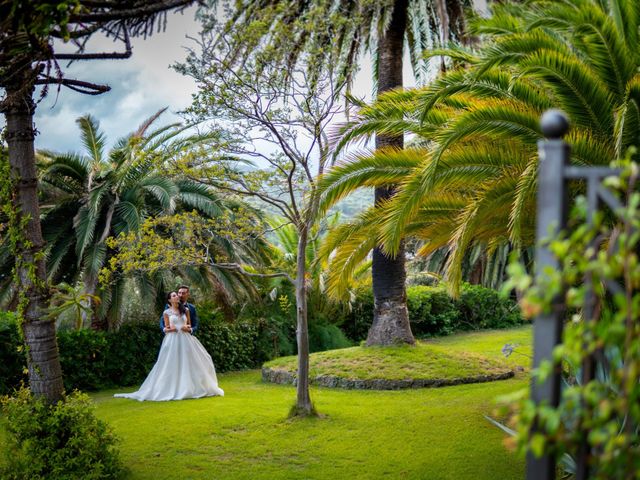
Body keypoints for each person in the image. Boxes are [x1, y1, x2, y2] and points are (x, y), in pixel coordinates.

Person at [115, 291, 224, 401]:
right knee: (171, 362)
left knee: (193, 360)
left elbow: (189, 324)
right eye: (174, 295)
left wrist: (186, 327)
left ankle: (192, 387)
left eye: (177, 295)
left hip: (186, 339)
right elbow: (166, 327)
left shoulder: (185, 310)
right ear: (169, 300)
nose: (177, 296)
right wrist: (171, 329)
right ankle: (170, 387)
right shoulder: (166, 312)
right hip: (172, 339)